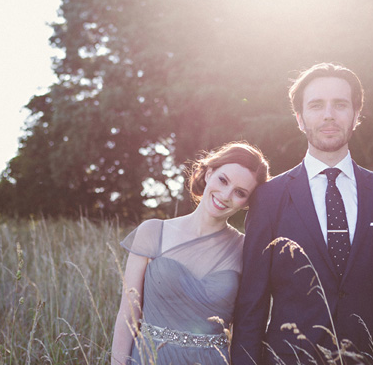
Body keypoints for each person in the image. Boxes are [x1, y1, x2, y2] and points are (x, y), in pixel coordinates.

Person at [231, 63, 373, 365]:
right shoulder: (268, 198)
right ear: (300, 119)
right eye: (316, 105)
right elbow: (251, 304)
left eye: (340, 104)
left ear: (356, 116)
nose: (329, 114)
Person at [111, 142, 270, 365]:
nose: (225, 195)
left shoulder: (246, 250)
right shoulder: (153, 232)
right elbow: (127, 316)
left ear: (247, 202)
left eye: (240, 193)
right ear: (209, 172)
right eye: (223, 180)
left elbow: (246, 329)